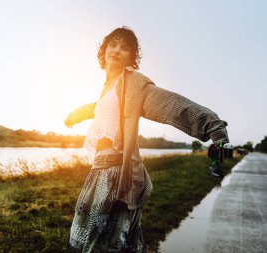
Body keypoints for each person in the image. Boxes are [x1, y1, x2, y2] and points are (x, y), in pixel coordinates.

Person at [64, 26, 229, 253]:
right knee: (105, 243)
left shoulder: (134, 84)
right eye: (112, 44)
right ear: (103, 51)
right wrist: (76, 114)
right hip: (98, 172)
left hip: (117, 175)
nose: (116, 50)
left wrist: (212, 125)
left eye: (124, 47)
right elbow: (98, 108)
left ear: (132, 57)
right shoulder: (108, 88)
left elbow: (171, 104)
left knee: (105, 245)